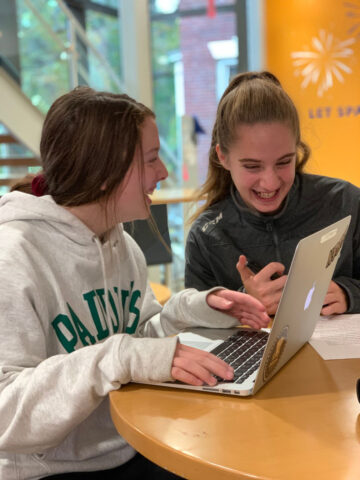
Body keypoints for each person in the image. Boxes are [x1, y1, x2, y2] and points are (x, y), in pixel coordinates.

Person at [0, 87, 270, 480]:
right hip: (52, 471)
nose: (163, 173)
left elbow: (137, 336)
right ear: (105, 169)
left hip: (129, 444)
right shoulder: (14, 257)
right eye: (151, 159)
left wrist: (195, 309)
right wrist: (119, 356)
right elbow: (6, 415)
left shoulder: (122, 244)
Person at [185, 71, 360, 316]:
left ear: (297, 149)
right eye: (252, 166)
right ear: (222, 156)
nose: (269, 183)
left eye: (283, 162)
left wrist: (348, 294)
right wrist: (244, 304)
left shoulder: (346, 202)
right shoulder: (207, 235)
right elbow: (195, 327)